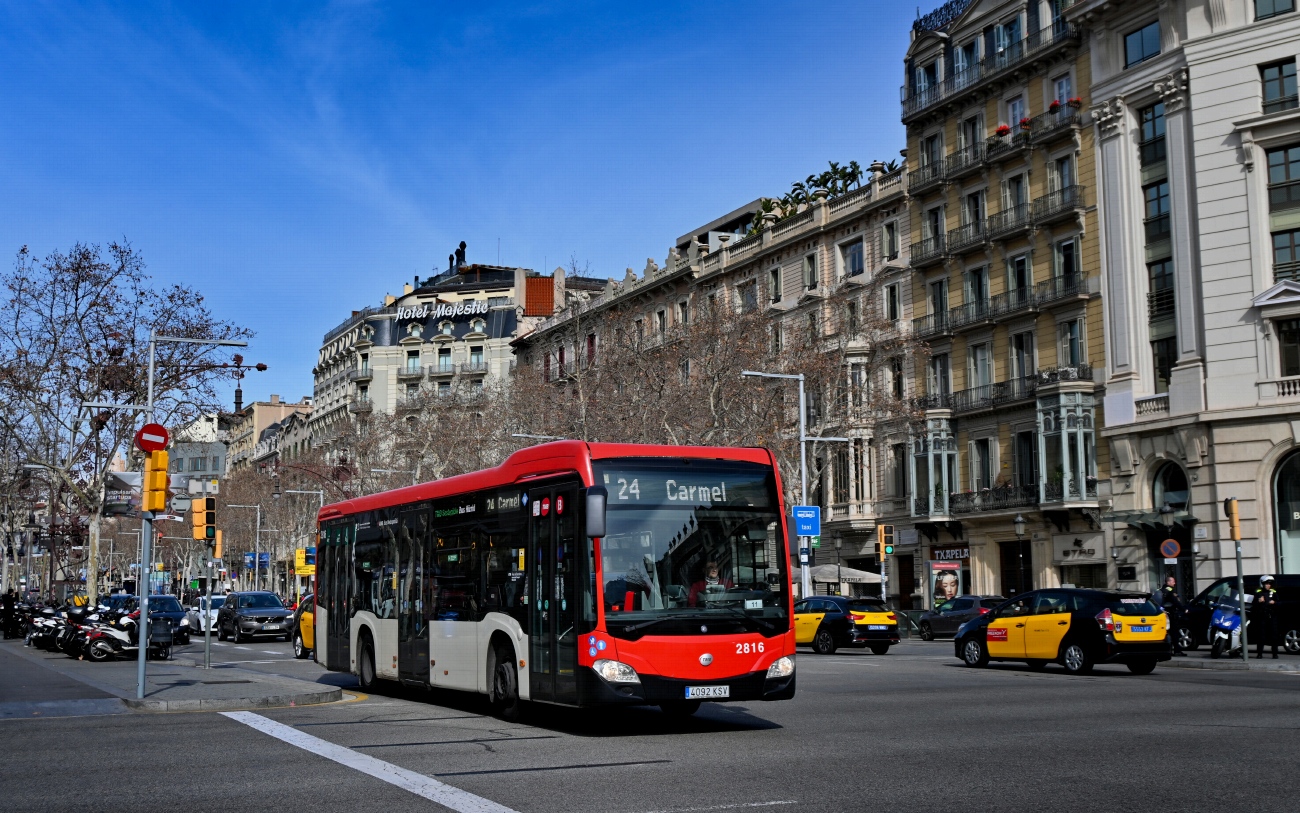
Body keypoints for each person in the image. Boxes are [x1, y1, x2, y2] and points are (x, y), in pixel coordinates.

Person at [1158, 576, 1188, 655]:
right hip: (1171, 614)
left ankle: (1168, 650)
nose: (1174, 583)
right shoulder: (1170, 591)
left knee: (1167, 632)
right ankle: (1177, 650)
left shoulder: (1160, 590)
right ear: (1168, 582)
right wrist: (1184, 609)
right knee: (1174, 632)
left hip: (1163, 614)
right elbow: (1176, 602)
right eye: (1173, 581)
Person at [1252, 576, 1280, 659]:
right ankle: (1259, 653)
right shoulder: (1258, 593)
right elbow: (1253, 605)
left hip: (1272, 616)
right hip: (1262, 617)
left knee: (1274, 636)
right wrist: (1259, 601)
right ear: (1262, 584)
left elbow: (1279, 603)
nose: (1268, 585)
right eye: (1266, 584)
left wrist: (1274, 602)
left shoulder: (1273, 592)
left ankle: (1275, 653)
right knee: (1261, 636)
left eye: (1269, 584)